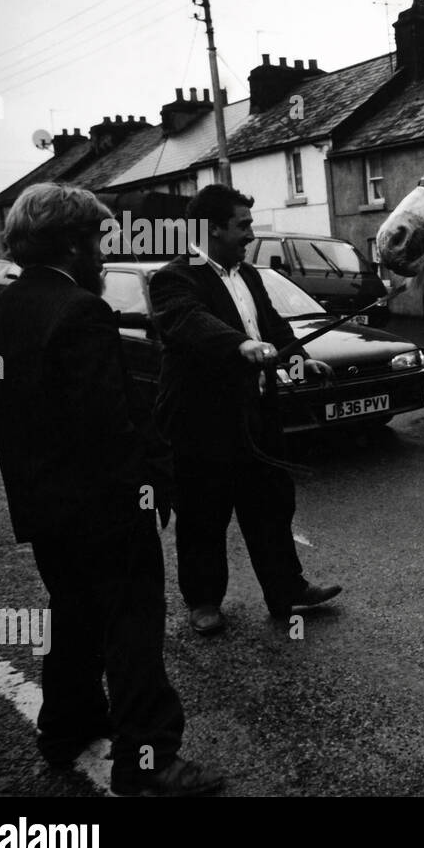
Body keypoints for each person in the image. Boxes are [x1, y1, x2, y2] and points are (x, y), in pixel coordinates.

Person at [0, 182, 222, 796]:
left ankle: (64, 729)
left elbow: (12, 413)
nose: (103, 256)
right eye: (96, 241)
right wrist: (148, 489)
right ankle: (149, 761)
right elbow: (106, 425)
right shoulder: (81, 311)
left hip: (44, 506)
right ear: (70, 242)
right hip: (106, 509)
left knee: (72, 618)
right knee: (132, 629)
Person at [150, 184, 341, 635]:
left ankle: (286, 591)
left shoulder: (249, 275)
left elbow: (273, 329)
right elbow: (190, 323)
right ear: (213, 229)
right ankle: (203, 602)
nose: (250, 234)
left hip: (256, 417)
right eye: (243, 225)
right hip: (201, 422)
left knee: (271, 506)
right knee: (203, 515)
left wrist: (299, 360)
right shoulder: (175, 277)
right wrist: (240, 344)